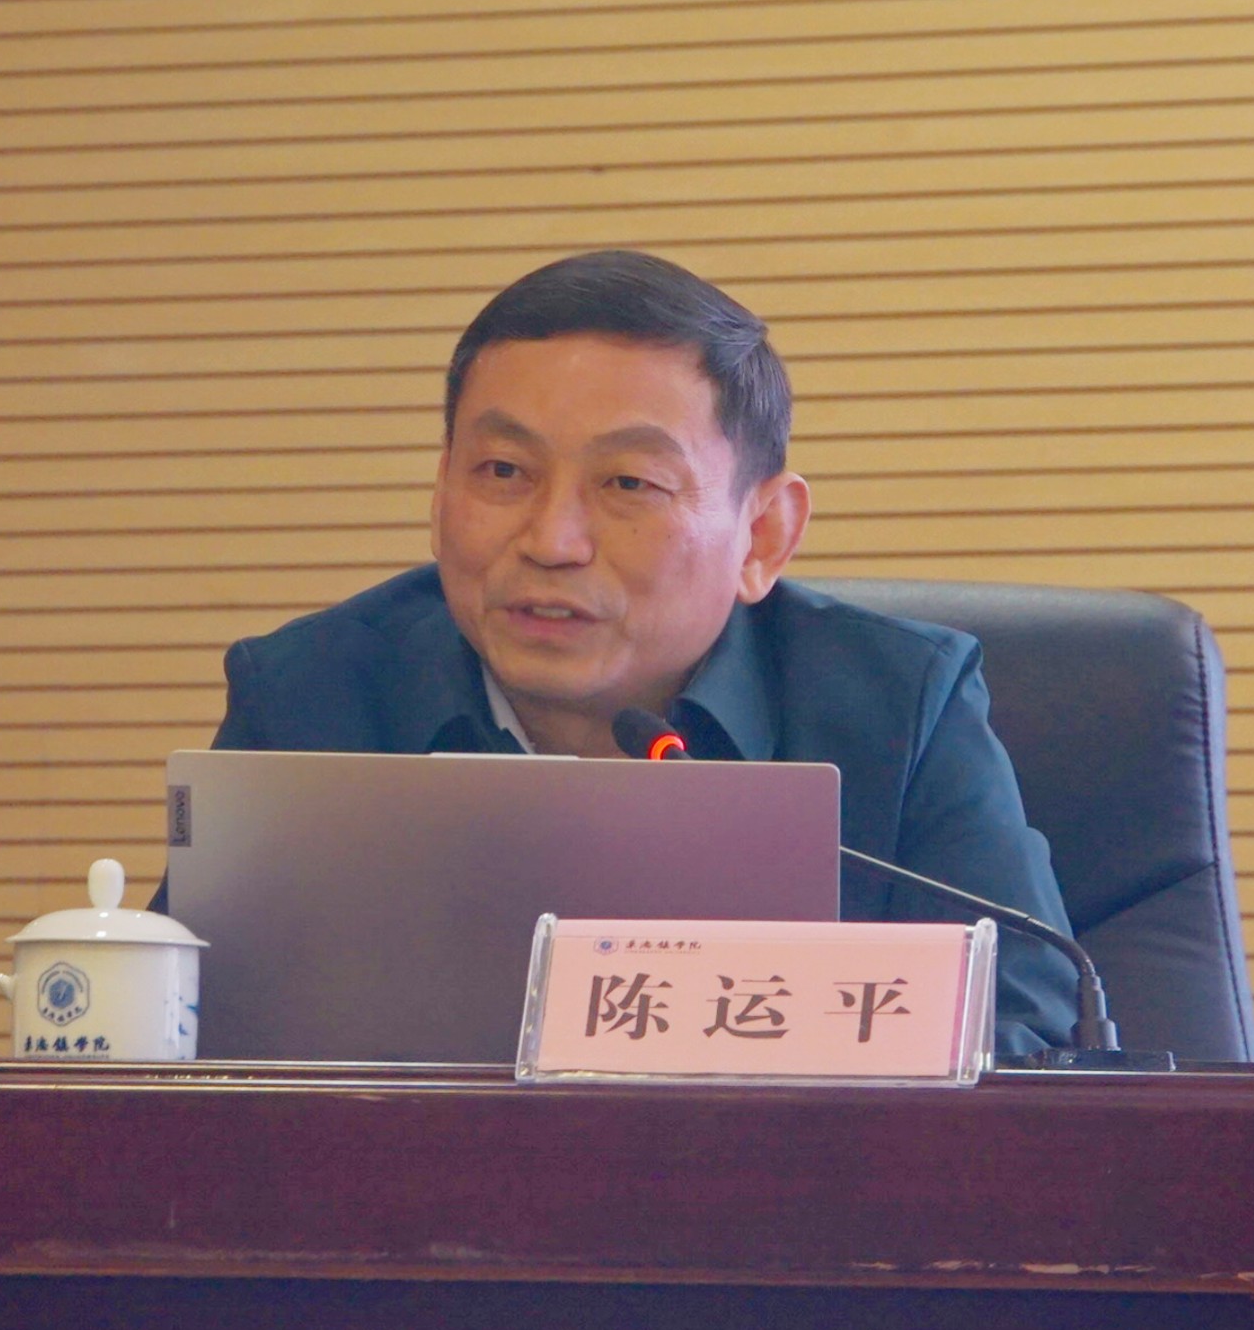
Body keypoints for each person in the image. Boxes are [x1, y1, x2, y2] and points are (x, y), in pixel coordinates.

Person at [201, 249, 1078, 1054]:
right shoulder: (308, 699)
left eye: (628, 483)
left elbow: (1022, 1040)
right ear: (440, 493)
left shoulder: (900, 707)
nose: (552, 541)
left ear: (763, 536)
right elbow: (186, 1041)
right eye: (503, 472)